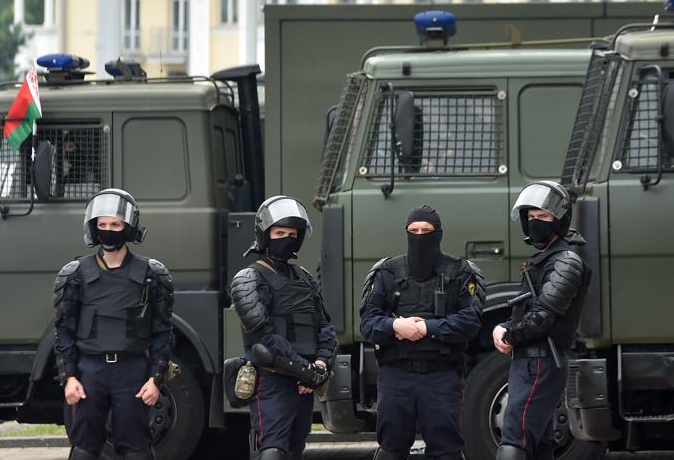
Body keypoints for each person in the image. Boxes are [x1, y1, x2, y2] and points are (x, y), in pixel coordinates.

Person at [53, 188, 176, 460]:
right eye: (103, 224)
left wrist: (155, 379)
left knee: (137, 450)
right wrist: (69, 377)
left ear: (128, 227)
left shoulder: (150, 275)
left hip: (132, 371)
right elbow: (64, 331)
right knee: (84, 448)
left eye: (116, 224)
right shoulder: (76, 275)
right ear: (94, 227)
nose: (108, 230)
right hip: (89, 372)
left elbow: (163, 332)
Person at [360, 205, 485, 460]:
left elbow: (470, 322)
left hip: (441, 377)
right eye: (414, 230)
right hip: (397, 376)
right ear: (406, 232)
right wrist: (396, 326)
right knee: (390, 451)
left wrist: (427, 328)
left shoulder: (460, 272)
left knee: (447, 451)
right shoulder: (387, 272)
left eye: (426, 230)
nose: (420, 235)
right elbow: (368, 324)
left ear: (438, 233)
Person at [229, 196, 337, 460]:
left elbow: (325, 327)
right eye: (279, 233)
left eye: (292, 233)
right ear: (265, 235)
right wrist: (306, 371)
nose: (286, 238)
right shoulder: (249, 278)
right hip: (271, 381)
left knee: (293, 451)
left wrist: (320, 365)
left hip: (305, 381)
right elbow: (263, 338)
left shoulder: (305, 278)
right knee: (272, 450)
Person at [492, 181, 589, 460]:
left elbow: (542, 317)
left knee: (515, 440)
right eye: (531, 217)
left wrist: (507, 333)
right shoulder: (549, 259)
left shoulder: (565, 261)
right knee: (539, 442)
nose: (535, 222)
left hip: (540, 361)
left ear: (558, 219)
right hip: (532, 360)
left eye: (543, 217)